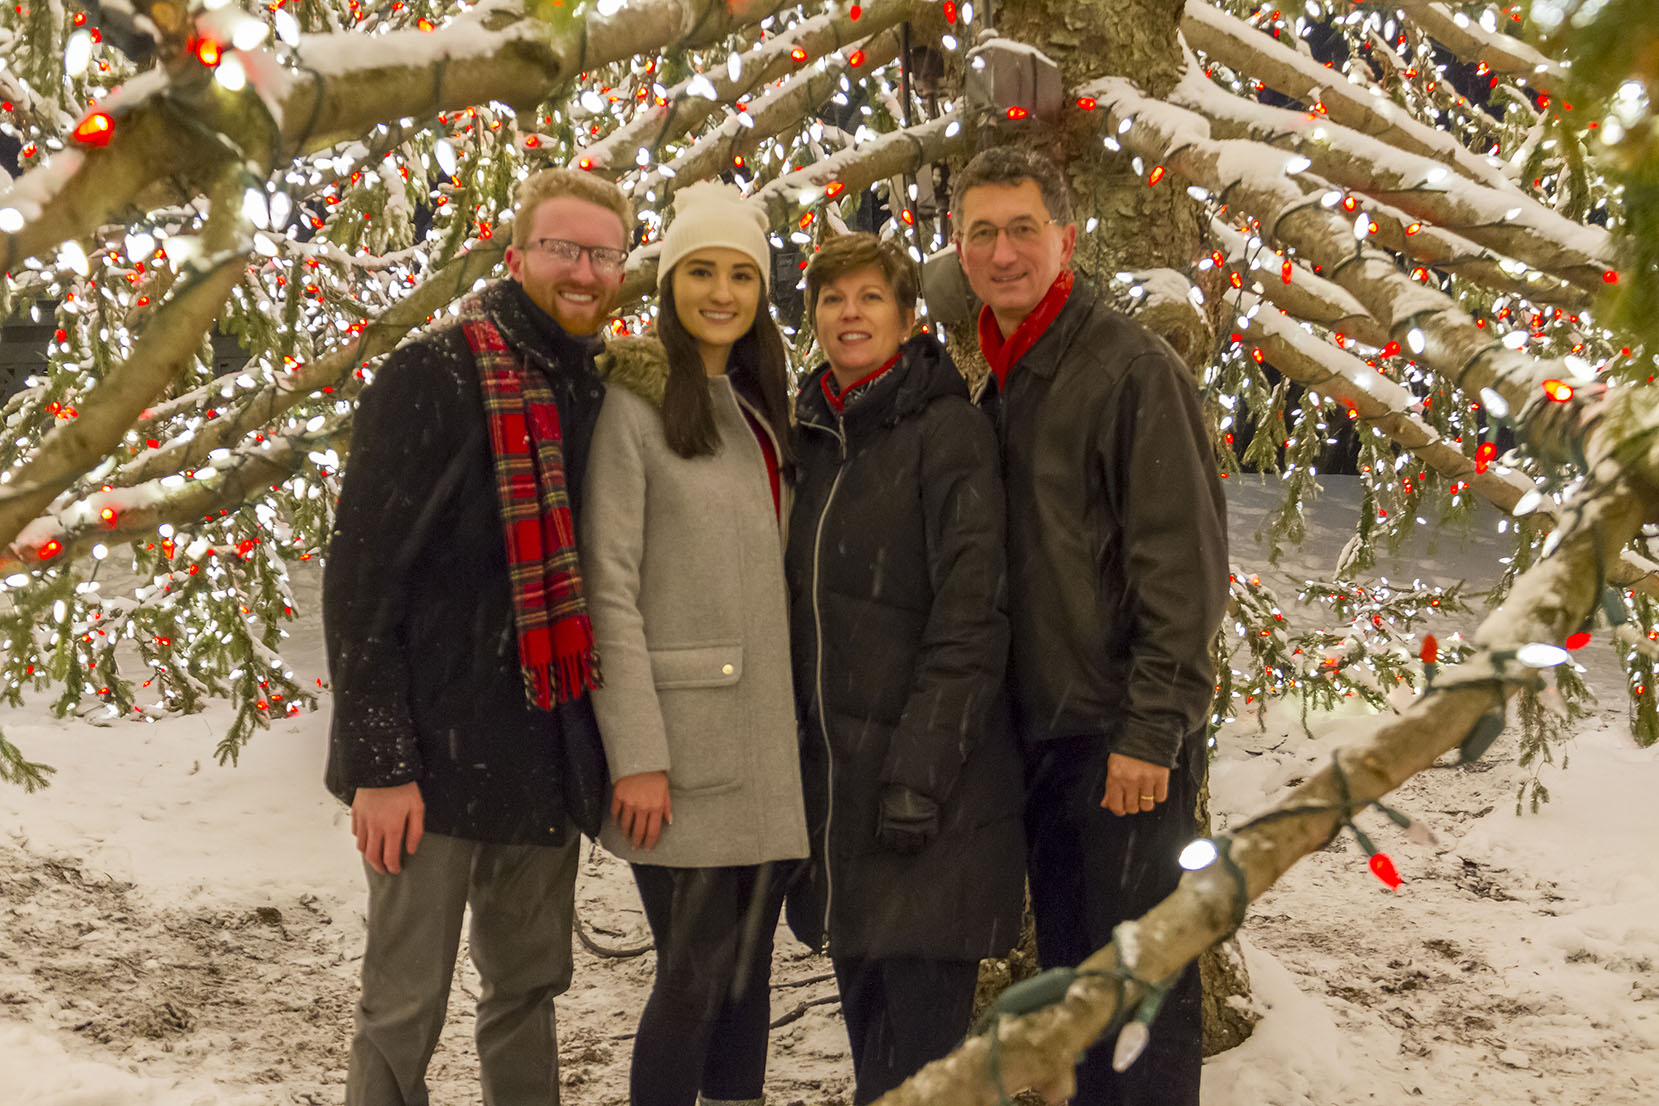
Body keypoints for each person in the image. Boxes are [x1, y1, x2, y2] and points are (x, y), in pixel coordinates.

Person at [324, 167, 631, 1106]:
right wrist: (380, 764)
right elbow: (363, 577)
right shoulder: (435, 373)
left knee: (528, 992)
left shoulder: (601, 387)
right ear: (515, 254)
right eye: (561, 248)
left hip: (542, 748)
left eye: (602, 254)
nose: (582, 271)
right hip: (430, 758)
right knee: (402, 1005)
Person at [952, 146, 1229, 1105]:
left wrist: (1150, 731)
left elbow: (1180, 567)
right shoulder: (1002, 377)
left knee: (1138, 988)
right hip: (1045, 740)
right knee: (1080, 984)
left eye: (1022, 229)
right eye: (981, 233)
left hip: (1119, 742)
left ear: (1065, 240)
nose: (1002, 252)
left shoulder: (1127, 369)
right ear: (959, 248)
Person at [579, 181, 807, 1106]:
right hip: (681, 753)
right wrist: (637, 754)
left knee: (745, 980)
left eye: (741, 275)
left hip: (766, 750)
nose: (721, 292)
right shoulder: (634, 406)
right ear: (670, 282)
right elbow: (608, 589)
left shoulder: (758, 405)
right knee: (694, 978)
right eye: (700, 271)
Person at [784, 233, 1025, 1102]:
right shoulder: (809, 436)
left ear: (907, 315)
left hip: (929, 799)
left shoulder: (944, 431)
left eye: (870, 297)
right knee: (874, 1060)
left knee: (918, 1072)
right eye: (832, 298)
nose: (849, 314)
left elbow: (971, 616)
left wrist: (918, 775)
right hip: (839, 798)